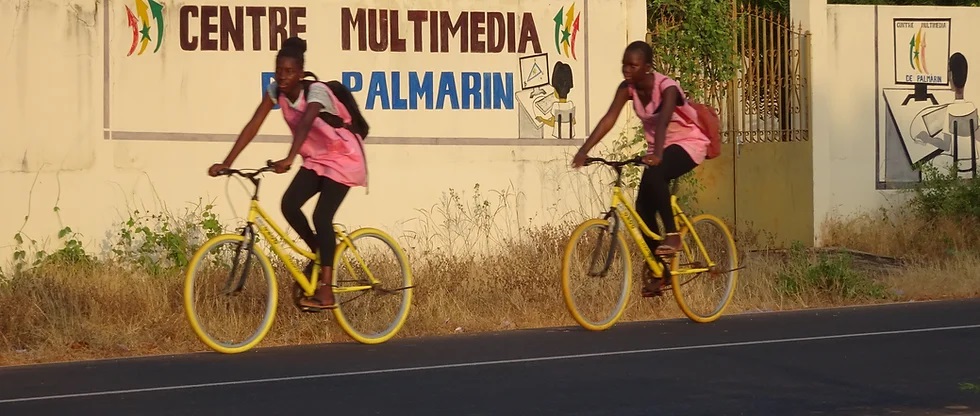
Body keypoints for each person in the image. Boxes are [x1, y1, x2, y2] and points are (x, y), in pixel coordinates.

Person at [207, 36, 369, 311]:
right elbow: (253, 124)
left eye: (289, 71)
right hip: (318, 159)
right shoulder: (276, 92)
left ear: (301, 73)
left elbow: (306, 123)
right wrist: (227, 161)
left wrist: (290, 158)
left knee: (321, 215)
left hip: (344, 157)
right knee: (289, 204)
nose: (282, 76)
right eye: (279, 70)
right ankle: (320, 252)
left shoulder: (315, 92)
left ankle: (327, 291)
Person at [571, 40, 710, 297]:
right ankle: (660, 270)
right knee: (642, 207)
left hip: (688, 144)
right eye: (624, 64)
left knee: (656, 175)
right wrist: (584, 150)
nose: (627, 70)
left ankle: (672, 234)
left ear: (647, 67)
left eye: (633, 65)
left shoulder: (666, 88)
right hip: (658, 150)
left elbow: (664, 121)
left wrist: (656, 153)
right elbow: (609, 119)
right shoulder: (628, 89)